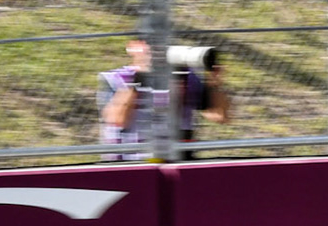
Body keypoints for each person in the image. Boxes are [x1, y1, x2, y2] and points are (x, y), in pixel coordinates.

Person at [98, 40, 232, 158]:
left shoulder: (187, 77)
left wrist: (213, 81)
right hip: (132, 159)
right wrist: (138, 79)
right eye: (149, 44)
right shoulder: (117, 78)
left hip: (177, 158)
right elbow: (116, 120)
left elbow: (219, 116)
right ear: (132, 47)